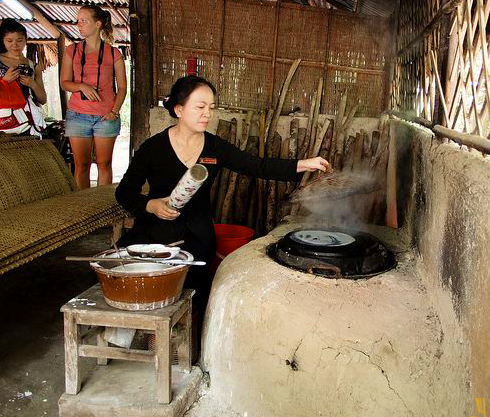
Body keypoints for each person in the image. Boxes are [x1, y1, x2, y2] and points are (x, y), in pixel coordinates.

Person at [115, 75, 330, 356]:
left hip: (195, 232)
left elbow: (258, 166)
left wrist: (304, 164)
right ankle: (136, 336)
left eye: (211, 108)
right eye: (200, 107)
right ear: (179, 110)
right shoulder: (153, 148)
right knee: (122, 268)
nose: (208, 114)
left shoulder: (215, 148)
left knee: (193, 284)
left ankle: (185, 347)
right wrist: (152, 205)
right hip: (154, 228)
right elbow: (125, 193)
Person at [60, 6, 127, 189]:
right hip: (77, 115)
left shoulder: (113, 53)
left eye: (83, 21)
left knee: (104, 164)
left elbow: (122, 88)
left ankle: (103, 207)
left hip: (106, 117)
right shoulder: (71, 51)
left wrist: (114, 111)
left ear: (98, 24)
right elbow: (64, 83)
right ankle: (83, 208)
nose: (78, 25)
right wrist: (81, 86)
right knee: (82, 166)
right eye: (78, 20)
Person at [0, 18, 47, 136]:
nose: (15, 45)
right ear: (2, 41)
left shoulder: (32, 65)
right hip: (4, 120)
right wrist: (3, 81)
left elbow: (42, 99)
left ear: (25, 40)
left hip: (28, 122)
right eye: (9, 41)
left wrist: (32, 84)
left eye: (19, 40)